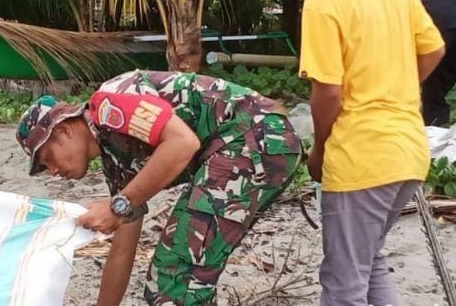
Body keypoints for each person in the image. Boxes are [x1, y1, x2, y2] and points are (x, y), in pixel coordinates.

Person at [15, 69, 302, 305]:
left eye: (47, 158)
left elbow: (183, 143)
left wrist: (119, 205)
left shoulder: (108, 103)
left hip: (254, 137)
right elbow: (123, 247)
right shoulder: (115, 161)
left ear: (64, 129)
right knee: (182, 275)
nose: (53, 171)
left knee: (174, 276)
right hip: (249, 147)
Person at [293, 0, 444, 305]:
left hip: (360, 159)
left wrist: (319, 152)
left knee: (343, 285)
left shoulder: (324, 1)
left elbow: (328, 93)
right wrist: (393, 87)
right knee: (368, 263)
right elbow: (433, 49)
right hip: (407, 154)